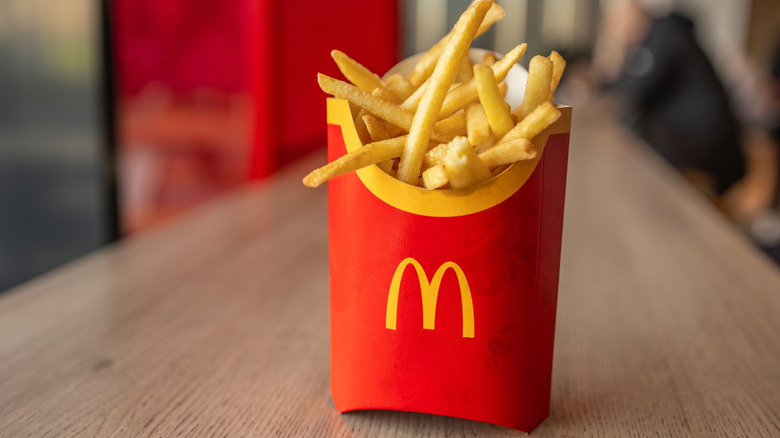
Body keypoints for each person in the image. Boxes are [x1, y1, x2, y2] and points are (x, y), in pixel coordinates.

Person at [600, 4, 746, 197]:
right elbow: (623, 85)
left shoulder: (667, 35)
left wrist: (613, 48)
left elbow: (631, 92)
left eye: (615, 22)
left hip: (703, 149)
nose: (614, 28)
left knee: (630, 176)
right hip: (691, 142)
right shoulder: (653, 42)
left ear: (634, 13)